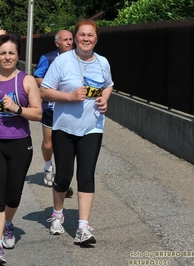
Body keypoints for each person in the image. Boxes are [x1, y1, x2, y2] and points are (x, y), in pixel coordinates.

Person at [40, 19, 114, 245]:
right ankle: (57, 214)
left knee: (86, 174)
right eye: (81, 35)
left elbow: (109, 84)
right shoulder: (62, 61)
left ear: (96, 39)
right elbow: (44, 91)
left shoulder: (102, 62)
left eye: (90, 35)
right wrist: (69, 97)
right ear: (75, 37)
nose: (85, 39)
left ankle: (83, 226)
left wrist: (104, 100)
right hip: (64, 127)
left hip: (92, 127)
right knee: (64, 176)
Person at [0, 33, 42, 266]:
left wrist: (16, 108)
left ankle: (8, 224)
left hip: (20, 143)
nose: (7, 57)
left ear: (18, 55)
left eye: (11, 52)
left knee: (14, 195)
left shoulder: (26, 80)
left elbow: (38, 113)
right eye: (2, 53)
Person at [34, 30, 74, 191]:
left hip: (70, 108)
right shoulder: (48, 58)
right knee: (49, 143)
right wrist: (56, 87)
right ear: (57, 43)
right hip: (50, 108)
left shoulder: (79, 58)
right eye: (66, 40)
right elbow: (37, 78)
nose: (69, 42)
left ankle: (63, 178)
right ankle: (48, 168)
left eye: (71, 39)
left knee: (66, 145)